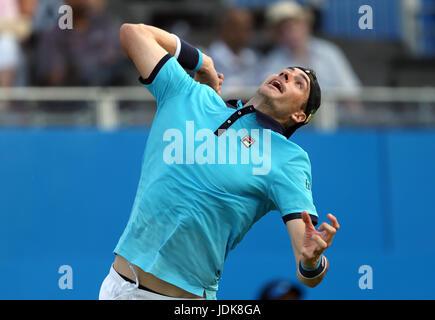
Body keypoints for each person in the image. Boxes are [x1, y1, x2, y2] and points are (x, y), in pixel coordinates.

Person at [98, 22, 340, 300]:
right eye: (286, 72)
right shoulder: (187, 94)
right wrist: (203, 62)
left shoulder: (288, 159)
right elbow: (133, 33)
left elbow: (308, 272)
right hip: (115, 285)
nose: (286, 75)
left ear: (299, 116)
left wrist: (312, 263)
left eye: (299, 83)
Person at [257, 1, 361, 94]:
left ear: (306, 24)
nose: (290, 32)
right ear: (277, 34)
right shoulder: (272, 62)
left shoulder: (329, 52)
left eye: (295, 24)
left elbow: (352, 93)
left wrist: (355, 114)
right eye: (283, 28)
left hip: (334, 115)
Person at [207, 7, 259, 87]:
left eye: (248, 28)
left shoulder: (251, 57)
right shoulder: (209, 57)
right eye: (238, 27)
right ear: (224, 29)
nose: (245, 33)